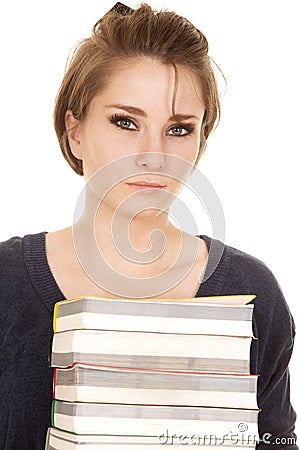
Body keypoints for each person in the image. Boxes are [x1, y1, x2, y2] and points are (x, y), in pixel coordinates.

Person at [0, 2, 297, 449]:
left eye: (178, 129)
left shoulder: (253, 292)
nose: (153, 153)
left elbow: (275, 441)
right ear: (75, 131)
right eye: (125, 122)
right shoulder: (6, 283)